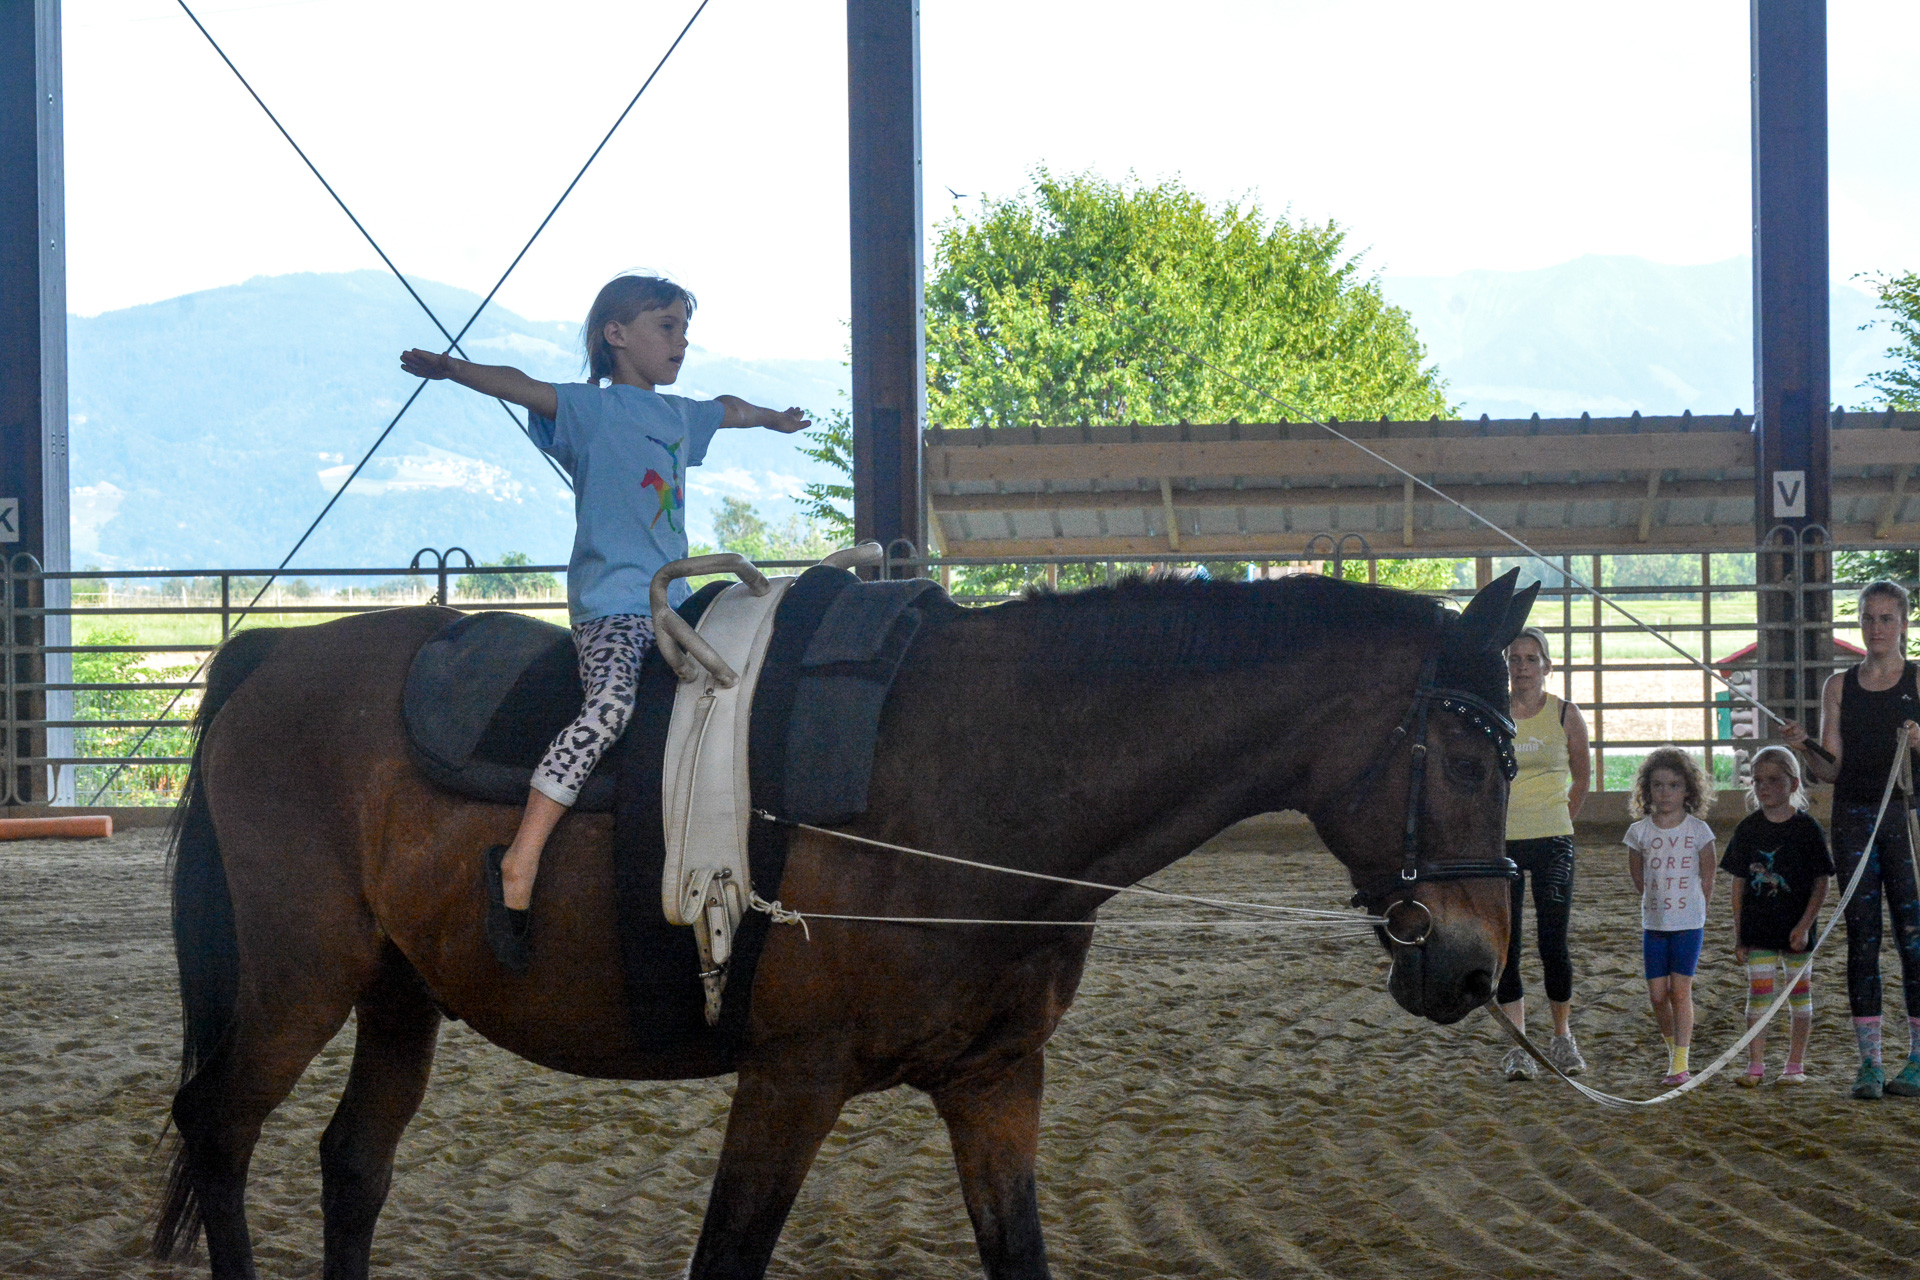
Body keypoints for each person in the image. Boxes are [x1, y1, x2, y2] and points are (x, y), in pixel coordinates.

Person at [400, 274, 810, 973]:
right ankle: (521, 859)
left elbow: (729, 409)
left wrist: (773, 419)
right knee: (611, 707)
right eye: (666, 327)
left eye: (684, 329)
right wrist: (453, 369)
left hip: (677, 602)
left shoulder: (681, 415)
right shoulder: (590, 409)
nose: (681, 341)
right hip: (615, 605)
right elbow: (520, 385)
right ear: (616, 335)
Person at [1783, 579, 1920, 1099]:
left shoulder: (1918, 680)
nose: (1876, 628)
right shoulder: (1838, 686)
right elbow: (1831, 770)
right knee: (1862, 937)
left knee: (1913, 936)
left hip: (1908, 820)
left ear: (1903, 623)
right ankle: (1869, 1062)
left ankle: (1917, 1058)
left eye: (1886, 618)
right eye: (1868, 618)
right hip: (1854, 819)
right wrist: (1805, 747)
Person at [1495, 626, 1592, 1082]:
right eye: (1515, 659)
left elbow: (1582, 775)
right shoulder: (1495, 712)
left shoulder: (1566, 714)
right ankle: (1518, 1046)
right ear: (1507, 667)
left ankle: (1561, 1036)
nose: (1523, 667)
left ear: (1546, 667)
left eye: (1531, 659)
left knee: (1553, 942)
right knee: (1508, 947)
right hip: (1504, 844)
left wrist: (1561, 819)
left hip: (1553, 839)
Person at [1720, 745, 1831, 1086]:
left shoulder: (1808, 829)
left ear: (1793, 783)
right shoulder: (1747, 829)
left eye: (1773, 780)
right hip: (1758, 930)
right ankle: (1755, 1065)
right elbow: (1738, 884)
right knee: (1759, 995)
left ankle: (1794, 1065)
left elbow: (1822, 882)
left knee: (1799, 995)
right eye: (1757, 780)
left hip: (1797, 930)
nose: (1763, 787)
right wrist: (1740, 934)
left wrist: (1805, 925)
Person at [1624, 746, 1717, 1087]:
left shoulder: (1699, 831)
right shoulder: (1639, 832)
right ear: (1647, 790)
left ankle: (1680, 1061)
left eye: (1674, 785)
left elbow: (1708, 875)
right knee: (1656, 995)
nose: (1665, 793)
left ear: (1688, 791)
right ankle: (1671, 1049)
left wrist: (1694, 909)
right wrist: (1657, 904)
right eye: (1658, 785)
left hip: (1688, 924)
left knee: (1680, 993)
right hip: (1654, 924)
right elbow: (1638, 877)